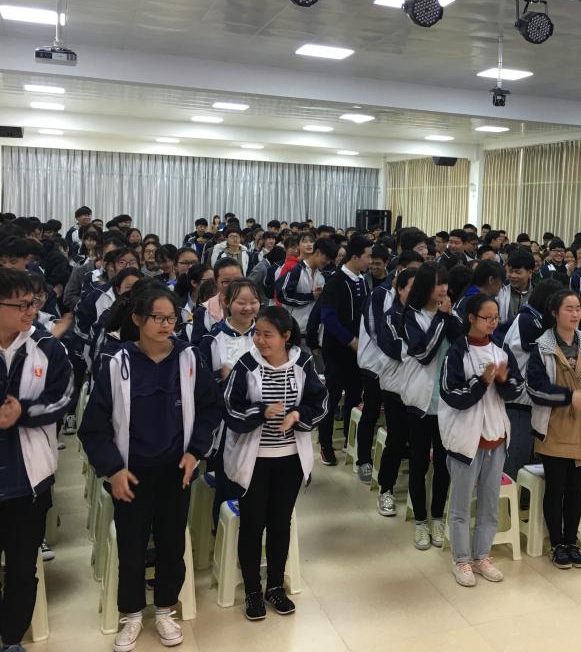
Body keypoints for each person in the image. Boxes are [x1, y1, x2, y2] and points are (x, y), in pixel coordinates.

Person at [80, 288, 220, 652]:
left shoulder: (189, 358)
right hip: (131, 473)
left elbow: (210, 408)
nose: (166, 325)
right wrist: (113, 470)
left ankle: (164, 610)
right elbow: (93, 428)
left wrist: (195, 452)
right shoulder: (117, 363)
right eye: (157, 317)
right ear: (138, 319)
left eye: (171, 318)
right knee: (132, 546)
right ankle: (130, 614)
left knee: (172, 544)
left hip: (176, 471)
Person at [222, 306, 328, 620]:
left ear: (286, 336)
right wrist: (260, 412)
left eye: (267, 335)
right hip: (253, 461)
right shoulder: (246, 364)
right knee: (252, 524)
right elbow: (229, 406)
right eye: (257, 333)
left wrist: (297, 415)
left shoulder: (303, 362)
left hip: (290, 459)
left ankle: (275, 587)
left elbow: (320, 402)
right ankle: (252, 591)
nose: (260, 340)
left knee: (281, 524)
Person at [0, 269, 72, 652]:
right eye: (21, 305)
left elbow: (64, 398)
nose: (31, 311)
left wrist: (22, 412)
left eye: (33, 303)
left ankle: (12, 638)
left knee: (22, 567)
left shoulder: (47, 348)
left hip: (29, 478)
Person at [439, 293, 524, 587]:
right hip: (466, 441)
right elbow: (452, 395)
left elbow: (516, 389)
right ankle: (461, 560)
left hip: (495, 438)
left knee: (489, 504)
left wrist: (502, 381)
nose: (493, 323)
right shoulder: (456, 352)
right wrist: (482, 381)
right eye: (487, 317)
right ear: (472, 318)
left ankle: (482, 556)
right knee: (461, 506)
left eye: (496, 317)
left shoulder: (501, 351)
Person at [382, 264, 461, 550]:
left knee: (443, 465)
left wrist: (448, 317)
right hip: (419, 402)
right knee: (418, 463)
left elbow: (461, 346)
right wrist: (442, 317)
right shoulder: (410, 317)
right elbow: (425, 353)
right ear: (425, 287)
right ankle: (420, 522)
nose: (443, 289)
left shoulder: (450, 316)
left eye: (445, 284)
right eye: (438, 284)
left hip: (447, 404)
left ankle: (437, 518)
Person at [525, 289, 581, 569]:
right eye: (569, 309)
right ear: (555, 313)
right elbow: (535, 389)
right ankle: (557, 543)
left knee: (576, 488)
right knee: (556, 488)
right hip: (554, 427)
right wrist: (569, 396)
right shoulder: (542, 346)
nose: (576, 313)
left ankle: (572, 540)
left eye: (578, 308)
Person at [498, 279, 564, 483]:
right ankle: (510, 503)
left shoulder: (533, 319)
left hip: (529, 403)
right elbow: (551, 348)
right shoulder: (528, 320)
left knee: (531, 469)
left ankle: (525, 501)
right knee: (515, 465)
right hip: (518, 403)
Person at [319, 235, 371, 472]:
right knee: (331, 399)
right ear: (355, 257)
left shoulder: (363, 281)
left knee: (354, 397)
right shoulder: (335, 281)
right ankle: (325, 444)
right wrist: (351, 341)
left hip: (358, 352)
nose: (370, 261)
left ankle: (352, 444)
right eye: (368, 256)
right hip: (337, 350)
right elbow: (328, 318)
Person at [372, 268, 418, 516]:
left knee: (418, 442)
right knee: (397, 439)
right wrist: (421, 347)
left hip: (418, 388)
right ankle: (386, 489)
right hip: (395, 387)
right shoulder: (391, 317)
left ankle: (417, 493)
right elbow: (397, 348)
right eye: (411, 287)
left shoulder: (424, 315)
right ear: (399, 289)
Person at [276, 237, 338, 334]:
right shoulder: (296, 270)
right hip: (294, 330)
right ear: (318, 252)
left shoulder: (322, 275)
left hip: (313, 331)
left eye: (330, 260)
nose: (328, 262)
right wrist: (311, 296)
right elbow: (283, 295)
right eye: (327, 258)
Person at [189, 258, 244, 344]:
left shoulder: (255, 307)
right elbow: (198, 346)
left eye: (238, 280)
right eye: (226, 281)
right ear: (215, 281)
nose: (233, 285)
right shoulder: (203, 311)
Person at [497, 249, 534, 322]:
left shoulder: (536, 293)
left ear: (530, 273)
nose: (513, 276)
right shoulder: (500, 291)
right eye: (510, 271)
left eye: (518, 272)